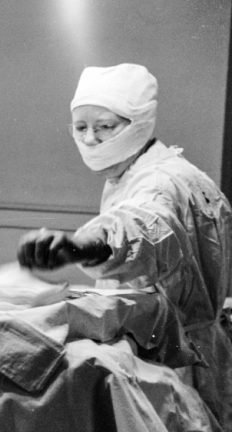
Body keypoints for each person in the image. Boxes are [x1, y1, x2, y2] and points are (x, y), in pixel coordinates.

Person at [16, 63, 232, 428]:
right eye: (80, 127)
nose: (90, 139)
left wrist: (81, 246)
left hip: (173, 363)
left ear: (139, 123)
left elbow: (145, 228)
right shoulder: (138, 172)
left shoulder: (160, 182)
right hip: (182, 352)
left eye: (105, 127)